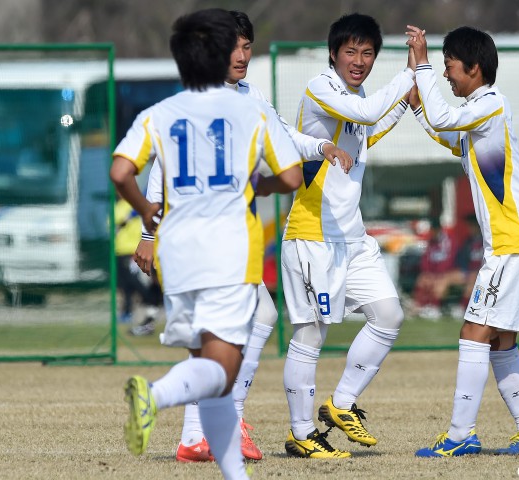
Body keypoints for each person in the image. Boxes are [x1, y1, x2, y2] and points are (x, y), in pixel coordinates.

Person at [132, 10, 353, 462]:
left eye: (247, 46)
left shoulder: (250, 95)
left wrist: (320, 146)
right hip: (206, 238)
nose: (242, 55)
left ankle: (202, 433)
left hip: (226, 239)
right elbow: (161, 167)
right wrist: (147, 234)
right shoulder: (198, 99)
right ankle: (214, 423)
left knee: (241, 325)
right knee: (250, 321)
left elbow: (284, 134)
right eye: (233, 46)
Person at [110, 8, 303, 479]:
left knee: (207, 364)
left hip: (179, 256)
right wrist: (260, 186)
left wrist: (147, 215)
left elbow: (121, 171)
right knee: (223, 369)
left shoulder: (159, 113)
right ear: (220, 57)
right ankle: (152, 396)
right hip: (228, 254)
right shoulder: (249, 110)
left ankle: (222, 462)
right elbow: (292, 175)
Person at [406, 25, 519, 456]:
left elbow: (445, 117)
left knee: (473, 333)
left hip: (514, 245)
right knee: (499, 340)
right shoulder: (479, 110)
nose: (447, 77)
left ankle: (458, 436)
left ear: (473, 67)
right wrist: (419, 108)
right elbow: (450, 134)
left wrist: (423, 64)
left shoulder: (489, 102)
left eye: (451, 67)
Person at [281, 13, 415, 458]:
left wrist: (407, 99)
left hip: (351, 238)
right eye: (351, 51)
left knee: (389, 315)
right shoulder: (323, 88)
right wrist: (413, 72)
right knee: (310, 336)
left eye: (368, 53)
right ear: (334, 53)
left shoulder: (355, 98)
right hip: (313, 236)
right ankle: (302, 435)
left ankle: (340, 404)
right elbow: (366, 112)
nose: (359, 61)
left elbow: (368, 130)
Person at [114, 195, 162, 332]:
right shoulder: (118, 206)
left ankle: (150, 303)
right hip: (121, 250)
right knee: (126, 285)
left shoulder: (133, 205)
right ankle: (136, 314)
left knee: (139, 282)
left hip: (133, 249)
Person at [413, 217, 458, 319]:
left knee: (440, 283)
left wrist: (439, 274)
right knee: (422, 279)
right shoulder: (431, 242)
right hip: (434, 273)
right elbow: (426, 259)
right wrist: (428, 273)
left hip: (447, 273)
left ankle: (435, 308)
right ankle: (419, 307)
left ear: (439, 229)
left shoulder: (448, 241)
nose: (432, 233)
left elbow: (451, 259)